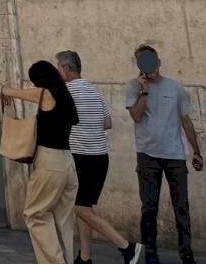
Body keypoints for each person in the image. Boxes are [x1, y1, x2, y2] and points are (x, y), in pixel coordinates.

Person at [57, 50, 143, 264]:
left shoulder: (64, 92)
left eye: (57, 67)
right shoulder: (93, 91)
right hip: (99, 157)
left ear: (66, 69)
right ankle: (85, 257)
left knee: (79, 207)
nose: (56, 71)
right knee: (85, 207)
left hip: (80, 157)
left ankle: (126, 247)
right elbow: (107, 123)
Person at [124, 44, 203, 264]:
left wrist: (196, 151)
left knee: (181, 207)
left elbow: (185, 120)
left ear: (158, 61)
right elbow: (137, 117)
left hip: (174, 155)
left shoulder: (176, 87)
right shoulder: (132, 87)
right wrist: (144, 91)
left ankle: (186, 254)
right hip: (147, 155)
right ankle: (151, 253)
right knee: (149, 206)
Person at [1, 59, 79, 264]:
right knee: (63, 220)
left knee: (35, 215)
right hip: (68, 162)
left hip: (50, 161)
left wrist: (4, 90)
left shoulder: (44, 93)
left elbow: (12, 92)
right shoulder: (65, 95)